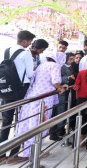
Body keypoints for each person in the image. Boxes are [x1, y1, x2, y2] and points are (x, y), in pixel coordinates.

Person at [10, 51, 68, 163]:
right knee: (38, 125)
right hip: (43, 100)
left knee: (29, 124)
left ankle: (28, 152)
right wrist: (61, 88)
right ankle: (33, 154)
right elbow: (55, 81)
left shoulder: (42, 65)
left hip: (32, 97)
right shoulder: (55, 65)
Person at [0, 30, 35, 162]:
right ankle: (14, 154)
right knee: (20, 120)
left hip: (6, 89)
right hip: (20, 90)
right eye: (30, 41)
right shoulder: (25, 53)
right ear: (25, 41)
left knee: (6, 121)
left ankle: (1, 152)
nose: (30, 44)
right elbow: (31, 74)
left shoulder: (6, 50)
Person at [49, 52, 75, 140]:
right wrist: (67, 78)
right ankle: (55, 132)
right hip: (60, 93)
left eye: (72, 59)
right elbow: (56, 79)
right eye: (70, 59)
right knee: (58, 112)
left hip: (65, 92)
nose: (71, 61)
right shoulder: (59, 67)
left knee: (61, 111)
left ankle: (59, 130)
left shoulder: (69, 67)